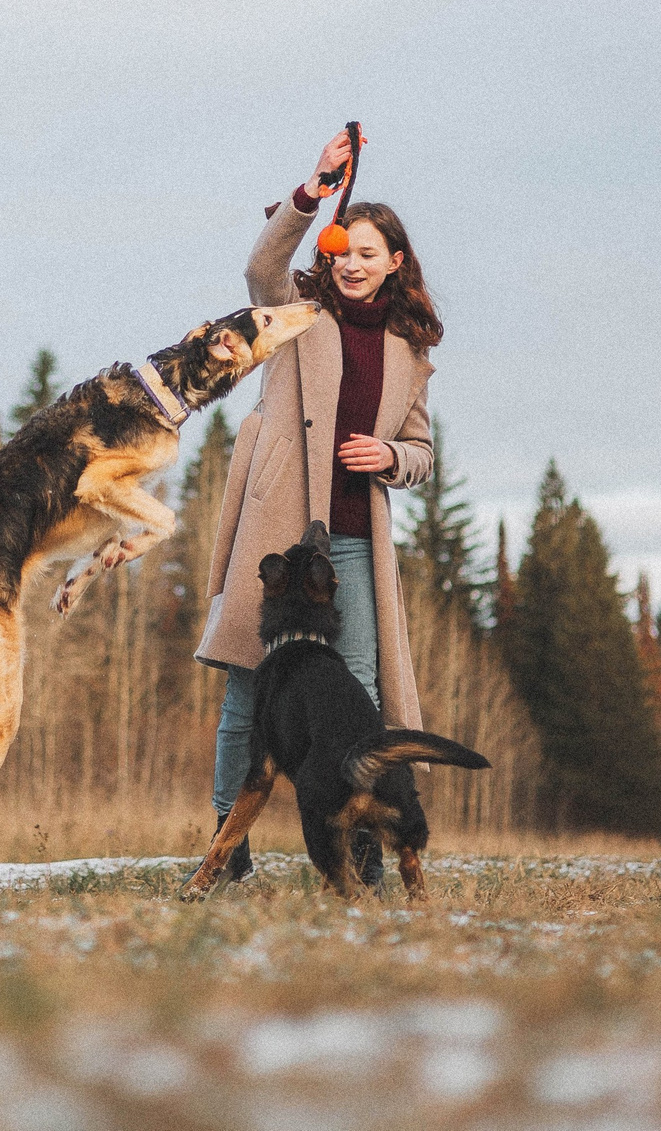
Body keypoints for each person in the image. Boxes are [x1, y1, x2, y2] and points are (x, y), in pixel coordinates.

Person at [192, 126, 442, 886]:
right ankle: (228, 846)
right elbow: (261, 262)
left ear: (395, 262)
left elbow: (423, 453)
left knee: (359, 688)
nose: (354, 265)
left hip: (358, 537)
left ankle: (362, 840)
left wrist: (390, 456)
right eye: (345, 251)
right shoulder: (296, 309)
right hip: (278, 524)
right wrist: (313, 189)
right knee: (248, 684)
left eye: (370, 253)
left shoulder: (410, 351)